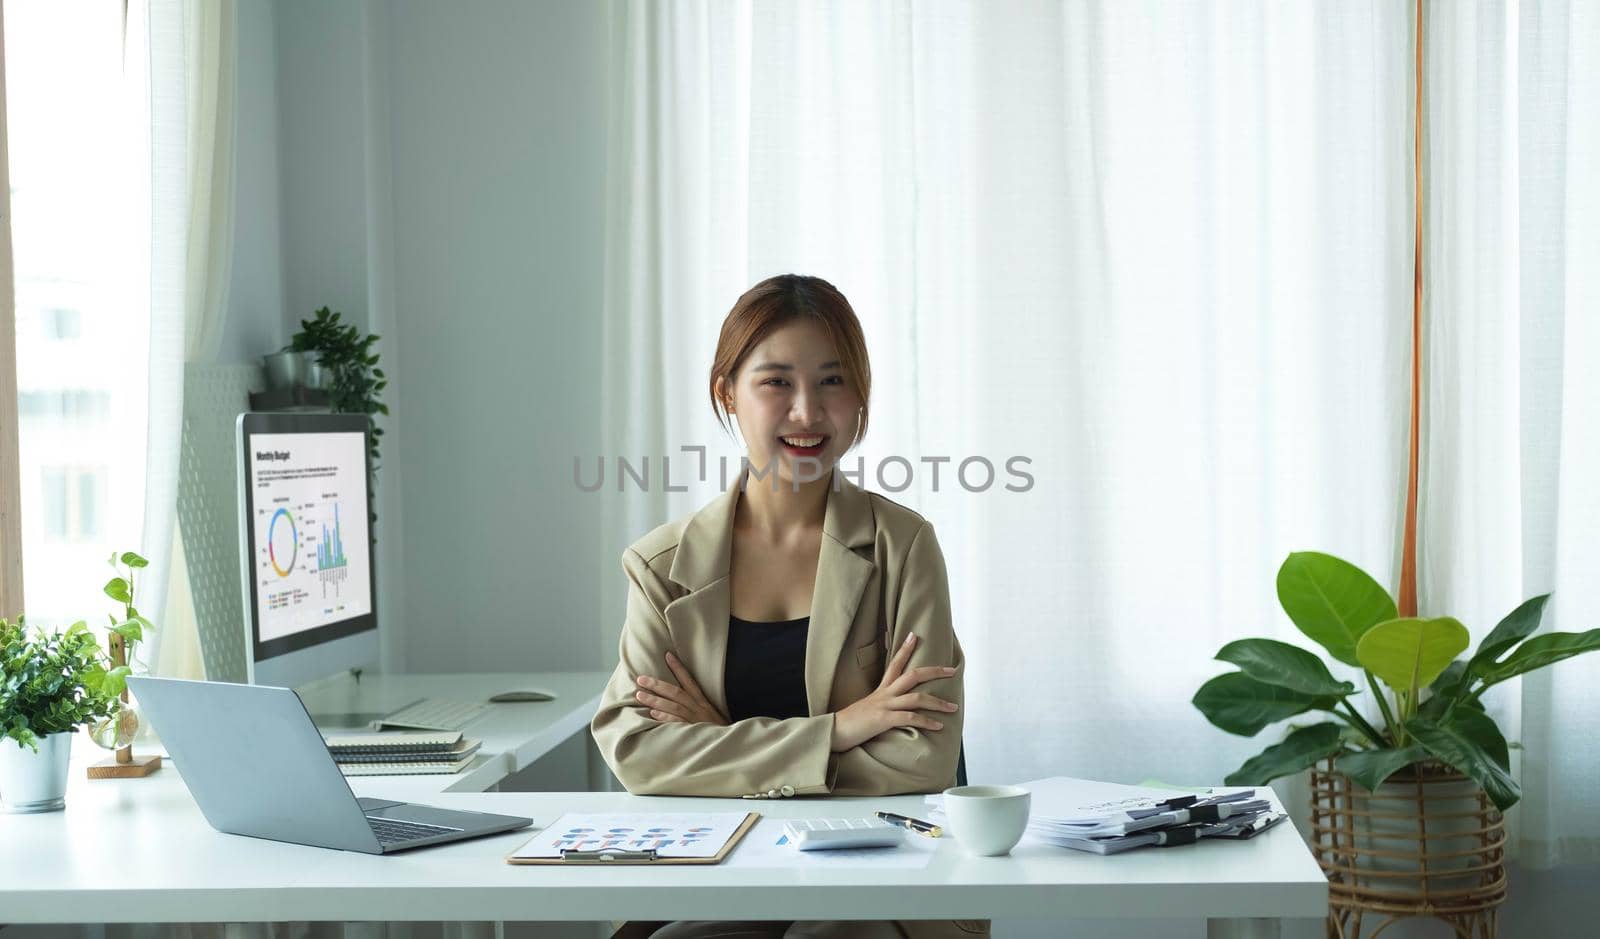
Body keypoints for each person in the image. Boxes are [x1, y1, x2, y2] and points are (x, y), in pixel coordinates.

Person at [591, 274, 985, 939]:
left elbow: (924, 758)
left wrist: (718, 739)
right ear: (728, 394)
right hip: (715, 866)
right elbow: (637, 752)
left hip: (883, 869)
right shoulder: (662, 565)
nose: (807, 412)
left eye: (833, 381)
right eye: (777, 382)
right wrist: (843, 727)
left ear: (860, 396)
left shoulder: (904, 546)